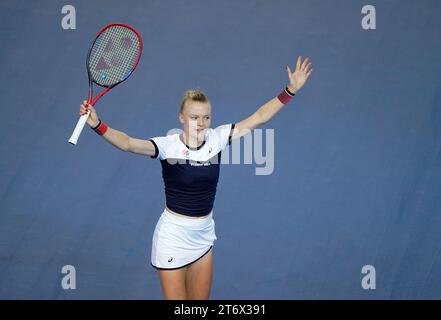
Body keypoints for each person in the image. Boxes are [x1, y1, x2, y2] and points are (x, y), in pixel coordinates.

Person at [79, 56, 312, 300]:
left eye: (206, 117)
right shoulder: (167, 146)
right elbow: (127, 143)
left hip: (203, 235)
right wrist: (97, 125)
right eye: (194, 117)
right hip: (173, 236)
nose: (201, 124)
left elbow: (259, 117)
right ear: (181, 117)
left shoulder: (218, 138)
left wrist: (290, 91)